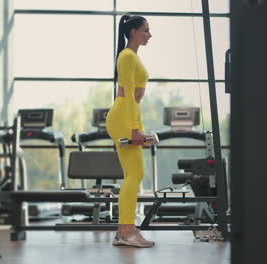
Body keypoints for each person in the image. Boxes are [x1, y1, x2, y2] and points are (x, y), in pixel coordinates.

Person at [105, 14, 153, 248]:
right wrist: (134, 129)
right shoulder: (126, 56)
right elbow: (130, 96)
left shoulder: (131, 57)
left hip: (128, 115)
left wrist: (139, 127)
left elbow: (135, 99)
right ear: (133, 32)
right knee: (135, 174)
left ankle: (125, 231)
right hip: (123, 116)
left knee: (133, 175)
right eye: (146, 30)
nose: (149, 34)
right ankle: (127, 231)